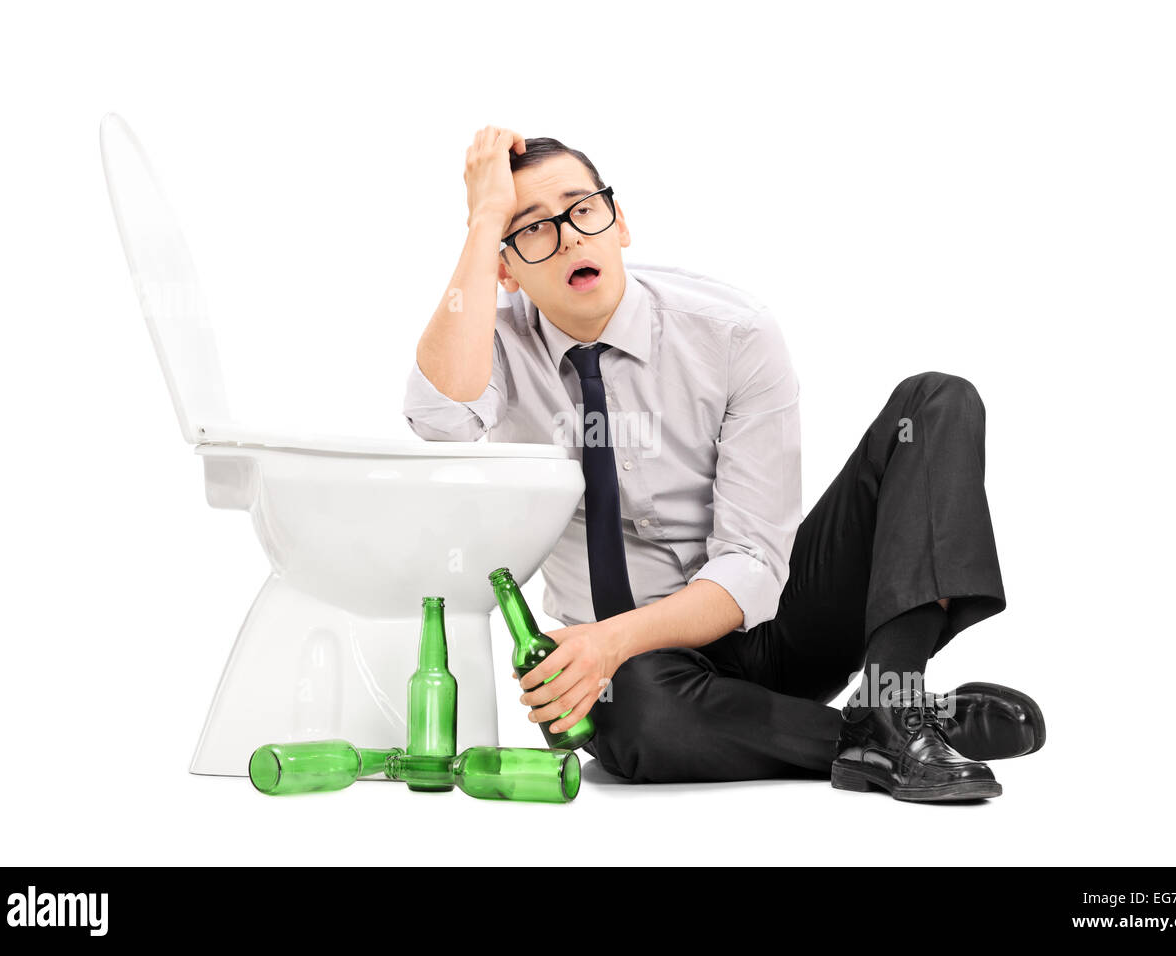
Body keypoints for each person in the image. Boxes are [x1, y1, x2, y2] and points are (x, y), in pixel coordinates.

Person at [403, 125, 1045, 802]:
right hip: (643, 673)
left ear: (619, 222)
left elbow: (755, 565)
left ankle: (895, 697)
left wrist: (606, 641)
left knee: (936, 402)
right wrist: (481, 222)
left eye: (583, 209)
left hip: (776, 631)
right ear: (504, 266)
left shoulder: (731, 333)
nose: (568, 237)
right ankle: (889, 737)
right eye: (531, 228)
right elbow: (439, 421)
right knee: (636, 722)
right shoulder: (490, 339)